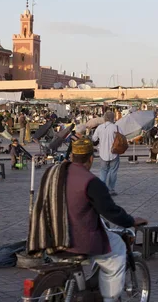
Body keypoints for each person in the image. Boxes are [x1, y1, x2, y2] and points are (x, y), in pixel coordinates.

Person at [28, 138, 147, 302]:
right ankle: (110, 298)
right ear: (91, 158)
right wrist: (131, 221)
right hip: (76, 242)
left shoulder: (52, 172)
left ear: (71, 156)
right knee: (118, 248)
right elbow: (111, 212)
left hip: (48, 237)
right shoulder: (91, 181)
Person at [91, 111, 123, 196]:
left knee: (103, 171)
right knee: (113, 171)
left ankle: (102, 189)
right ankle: (111, 189)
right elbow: (122, 138)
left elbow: (94, 139)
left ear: (104, 118)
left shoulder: (100, 127)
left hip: (103, 153)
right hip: (114, 152)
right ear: (113, 118)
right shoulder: (116, 127)